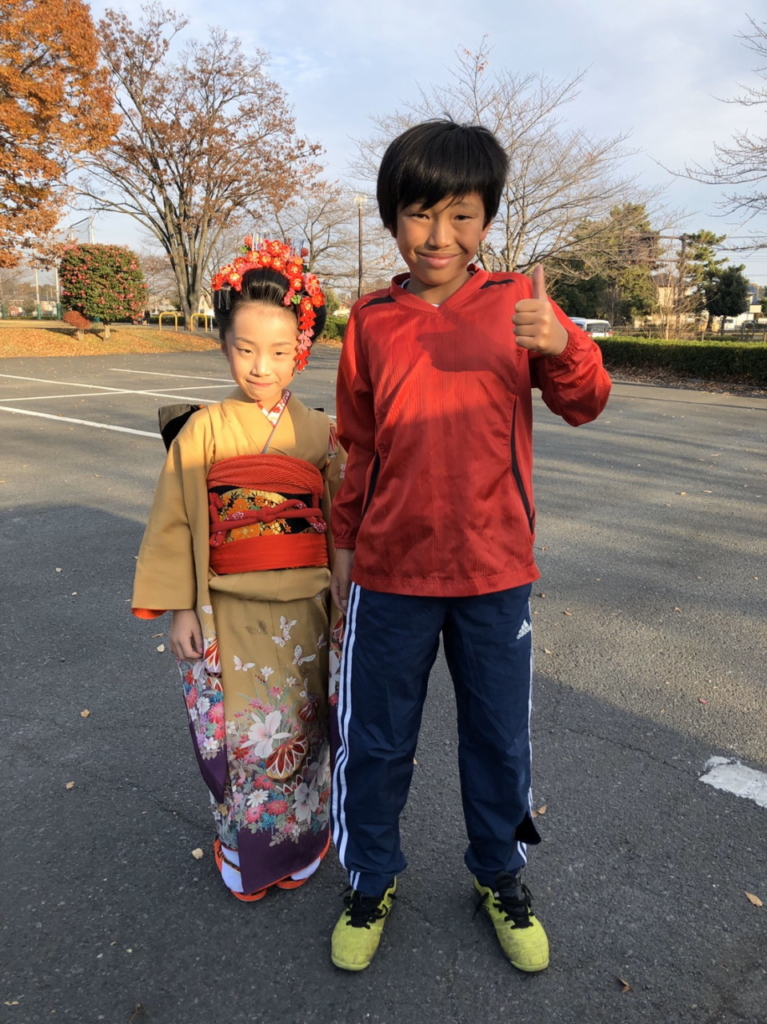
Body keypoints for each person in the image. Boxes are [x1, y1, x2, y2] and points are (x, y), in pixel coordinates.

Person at [328, 120, 612, 972]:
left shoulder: (519, 305)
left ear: (486, 218)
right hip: (389, 573)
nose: (438, 236)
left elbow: (585, 402)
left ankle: (500, 874)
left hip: (494, 572)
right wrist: (342, 552)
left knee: (498, 740)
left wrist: (562, 345)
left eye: (460, 215)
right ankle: (369, 878)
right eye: (419, 214)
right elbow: (357, 445)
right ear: (392, 217)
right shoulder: (369, 320)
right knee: (375, 741)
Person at [132, 238, 345, 900]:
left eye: (279, 352)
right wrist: (180, 608)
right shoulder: (203, 429)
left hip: (306, 607)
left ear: (300, 351)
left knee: (302, 727)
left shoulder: (321, 434)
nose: (261, 366)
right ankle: (243, 848)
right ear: (223, 344)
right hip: (225, 607)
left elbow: (341, 523)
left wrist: (345, 596)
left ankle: (303, 841)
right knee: (241, 736)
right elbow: (175, 520)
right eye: (245, 348)